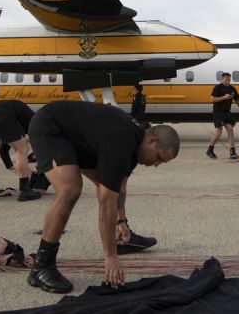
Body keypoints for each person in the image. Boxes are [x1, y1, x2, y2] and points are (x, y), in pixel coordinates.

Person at [26, 100, 180, 293]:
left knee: (106, 185)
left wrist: (120, 222)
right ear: (152, 141)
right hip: (50, 126)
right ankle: (41, 267)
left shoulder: (133, 147)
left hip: (77, 138)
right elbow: (106, 202)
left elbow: (118, 187)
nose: (156, 164)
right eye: (158, 158)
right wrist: (110, 257)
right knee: (70, 189)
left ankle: (119, 237)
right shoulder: (122, 143)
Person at [0, 99, 39, 201]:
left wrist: (10, 166)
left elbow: (3, 148)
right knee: (22, 149)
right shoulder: (36, 123)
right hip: (4, 114)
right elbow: (39, 144)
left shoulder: (25, 114)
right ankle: (25, 190)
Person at [206, 72, 239, 160]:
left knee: (230, 130)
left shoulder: (232, 89)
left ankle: (233, 152)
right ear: (222, 79)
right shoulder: (217, 88)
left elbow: (238, 101)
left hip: (227, 113)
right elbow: (212, 99)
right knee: (219, 132)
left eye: (229, 80)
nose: (228, 82)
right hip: (218, 112)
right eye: (226, 80)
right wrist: (224, 97)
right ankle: (210, 150)